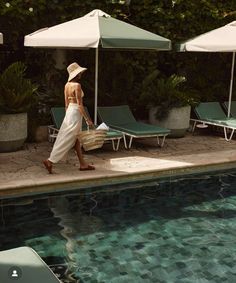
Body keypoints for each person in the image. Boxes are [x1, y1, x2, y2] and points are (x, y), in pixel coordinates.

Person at [43, 62, 95, 174]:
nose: (81, 73)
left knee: (74, 138)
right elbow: (80, 105)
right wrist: (87, 119)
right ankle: (50, 160)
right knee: (67, 138)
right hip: (76, 112)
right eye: (80, 72)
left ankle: (83, 164)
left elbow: (66, 104)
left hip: (70, 112)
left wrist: (67, 117)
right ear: (77, 74)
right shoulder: (77, 86)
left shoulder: (66, 85)